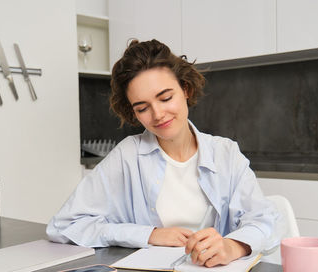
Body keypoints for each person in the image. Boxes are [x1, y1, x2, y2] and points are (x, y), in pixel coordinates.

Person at [47, 39, 280, 267]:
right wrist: (148, 234)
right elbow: (63, 226)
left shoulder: (226, 153)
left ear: (185, 89)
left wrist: (232, 246)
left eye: (166, 98)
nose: (157, 114)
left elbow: (264, 221)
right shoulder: (127, 156)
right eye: (142, 108)